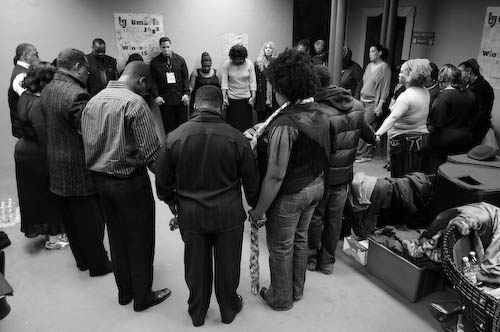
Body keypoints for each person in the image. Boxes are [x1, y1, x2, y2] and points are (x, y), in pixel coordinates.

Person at [155, 85, 260, 326]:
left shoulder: (174, 137)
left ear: (194, 106)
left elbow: (162, 183)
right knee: (228, 265)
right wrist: (255, 209)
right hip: (228, 215)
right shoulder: (236, 138)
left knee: (196, 266)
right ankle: (229, 309)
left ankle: (197, 313)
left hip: (191, 216)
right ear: (222, 105)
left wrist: (174, 202)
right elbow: (251, 182)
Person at [82, 61, 171, 312]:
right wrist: (170, 186)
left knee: (117, 238)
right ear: (141, 81)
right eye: (146, 88)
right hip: (130, 182)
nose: (145, 93)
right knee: (140, 239)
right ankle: (143, 297)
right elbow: (152, 154)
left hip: (101, 182)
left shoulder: (93, 100)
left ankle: (125, 292)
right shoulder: (134, 103)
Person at [249, 49, 330, 311]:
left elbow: (275, 175)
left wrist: (258, 211)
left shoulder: (285, 124)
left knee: (281, 247)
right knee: (300, 239)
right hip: (316, 186)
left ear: (283, 87)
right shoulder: (317, 111)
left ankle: (280, 297)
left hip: (291, 194)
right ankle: (296, 289)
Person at [40, 48, 111, 276]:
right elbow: (90, 133)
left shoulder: (48, 90)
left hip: (56, 162)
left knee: (70, 220)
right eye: (87, 71)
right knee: (90, 219)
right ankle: (98, 264)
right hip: (79, 165)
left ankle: (82, 261)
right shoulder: (77, 94)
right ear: (78, 67)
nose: (88, 75)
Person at [308, 65, 376, 274]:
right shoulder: (356, 105)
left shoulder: (317, 110)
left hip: (320, 176)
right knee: (335, 219)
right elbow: (369, 136)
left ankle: (311, 259)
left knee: (316, 217)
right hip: (344, 174)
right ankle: (327, 262)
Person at [15, 63, 68, 249]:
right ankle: (54, 237)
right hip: (38, 153)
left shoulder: (24, 96)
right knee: (48, 193)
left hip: (24, 150)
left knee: (35, 194)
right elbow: (44, 136)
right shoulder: (38, 103)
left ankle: (50, 232)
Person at [374, 59, 431, 177]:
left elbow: (393, 117)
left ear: (411, 75)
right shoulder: (425, 91)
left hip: (404, 141)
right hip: (422, 138)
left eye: (402, 72)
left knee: (399, 178)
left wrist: (378, 134)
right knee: (415, 177)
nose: (399, 74)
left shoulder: (405, 96)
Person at [425, 64, 477, 173]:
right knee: (453, 172)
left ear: (443, 80)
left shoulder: (443, 97)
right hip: (465, 138)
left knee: (436, 172)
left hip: (443, 141)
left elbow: (434, 125)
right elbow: (474, 116)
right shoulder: (470, 94)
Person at [356, 43, 391, 163]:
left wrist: (380, 105)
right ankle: (361, 153)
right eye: (369, 52)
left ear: (380, 53)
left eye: (373, 51)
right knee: (361, 125)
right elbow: (364, 82)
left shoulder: (385, 67)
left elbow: (385, 88)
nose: (370, 54)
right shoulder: (369, 65)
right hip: (362, 100)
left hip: (373, 103)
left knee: (366, 126)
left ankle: (364, 154)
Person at [150, 37, 190, 135]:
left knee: (183, 127)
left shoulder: (180, 60)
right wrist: (156, 96)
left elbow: (185, 78)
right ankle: (171, 148)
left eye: (168, 47)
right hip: (165, 101)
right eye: (163, 47)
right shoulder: (155, 63)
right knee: (169, 129)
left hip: (180, 99)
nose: (166, 49)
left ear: (171, 46)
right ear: (160, 47)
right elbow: (153, 81)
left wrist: (186, 94)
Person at [459, 58, 495, 147]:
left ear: (469, 71)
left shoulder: (483, 87)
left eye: (460, 73)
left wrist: (470, 127)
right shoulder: (470, 85)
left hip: (475, 130)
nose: (458, 76)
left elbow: (483, 112)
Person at [221, 44, 257, 132]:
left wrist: (253, 97)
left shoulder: (249, 64)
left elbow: (253, 81)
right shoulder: (227, 64)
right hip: (232, 99)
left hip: (246, 100)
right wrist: (224, 97)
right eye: (236, 59)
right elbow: (224, 82)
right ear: (232, 58)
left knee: (245, 127)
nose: (238, 61)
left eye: (241, 59)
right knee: (232, 127)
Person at [8, 43, 40, 138]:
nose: (39, 58)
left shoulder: (22, 73)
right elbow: (31, 103)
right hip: (27, 130)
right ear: (25, 55)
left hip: (26, 128)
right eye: (36, 55)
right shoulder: (21, 76)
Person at [254, 41, 278, 122]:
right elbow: (255, 80)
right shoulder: (258, 64)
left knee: (272, 120)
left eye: (270, 48)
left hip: (274, 95)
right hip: (261, 95)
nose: (268, 50)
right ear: (263, 50)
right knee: (261, 120)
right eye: (266, 48)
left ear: (273, 50)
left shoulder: (277, 63)